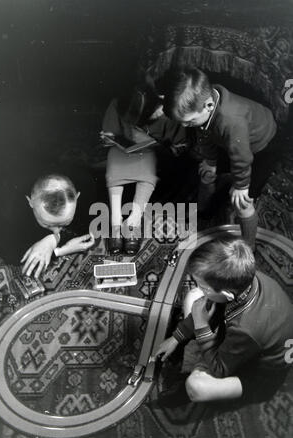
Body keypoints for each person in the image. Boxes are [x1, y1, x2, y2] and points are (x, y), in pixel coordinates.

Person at [154, 234, 293, 406]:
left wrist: (200, 324)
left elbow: (219, 369)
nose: (199, 288)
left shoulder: (247, 329)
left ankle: (189, 368)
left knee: (195, 386)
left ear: (226, 294)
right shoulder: (242, 280)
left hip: (258, 377)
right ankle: (196, 350)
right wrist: (176, 337)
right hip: (251, 336)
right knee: (194, 297)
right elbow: (213, 303)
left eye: (203, 286)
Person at [163, 67, 278, 250]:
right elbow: (204, 132)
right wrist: (210, 161)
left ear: (209, 106)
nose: (185, 126)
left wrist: (241, 186)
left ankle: (247, 248)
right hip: (230, 141)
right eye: (182, 122)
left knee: (242, 201)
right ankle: (204, 214)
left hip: (263, 146)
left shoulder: (231, 121)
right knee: (205, 172)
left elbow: (242, 157)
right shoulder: (206, 106)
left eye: (189, 121)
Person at [101, 84, 187, 255]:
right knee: (114, 163)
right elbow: (108, 135)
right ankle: (116, 222)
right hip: (123, 152)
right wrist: (108, 138)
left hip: (153, 154)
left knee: (148, 167)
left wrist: (155, 145)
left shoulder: (170, 111)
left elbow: (181, 147)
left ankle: (134, 219)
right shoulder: (119, 103)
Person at [0, 174, 95, 278]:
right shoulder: (8, 213)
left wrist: (54, 240)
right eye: (47, 224)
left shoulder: (87, 185)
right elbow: (11, 256)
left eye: (64, 224)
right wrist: (60, 251)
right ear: (30, 202)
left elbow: (86, 226)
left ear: (77, 197)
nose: (56, 231)